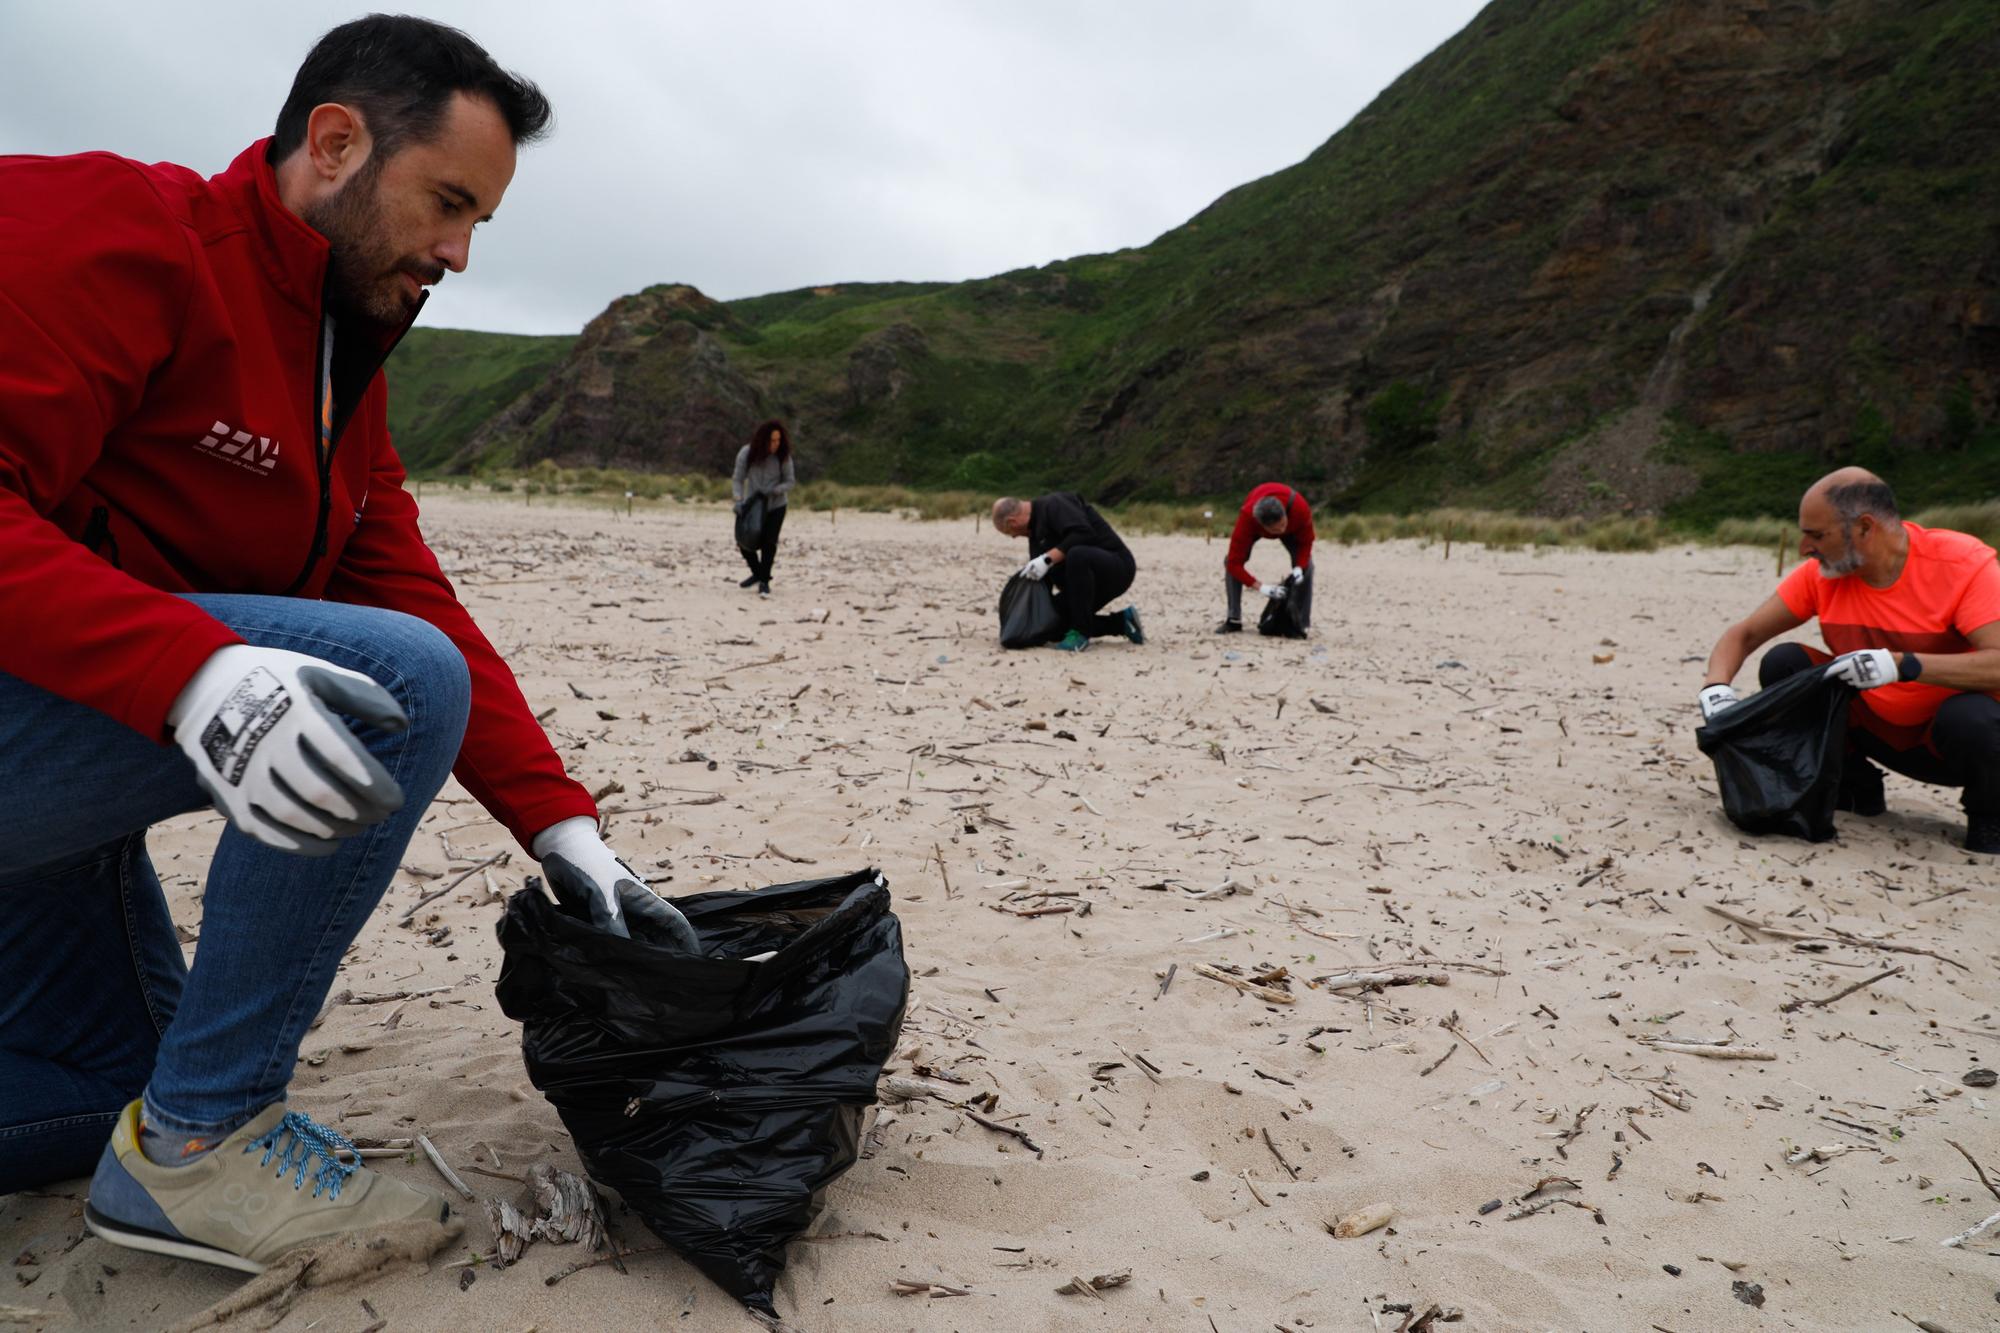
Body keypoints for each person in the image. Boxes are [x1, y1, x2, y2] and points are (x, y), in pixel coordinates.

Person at [0, 15, 695, 1271]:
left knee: (106, 1087)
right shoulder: (121, 233)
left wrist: (563, 828)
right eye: (447, 203)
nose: (460, 253)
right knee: (389, 681)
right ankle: (209, 1146)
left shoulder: (335, 359)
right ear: (334, 144)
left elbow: (403, 584)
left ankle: (170, 1122)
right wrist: (190, 671)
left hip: (44, 765)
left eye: (481, 221)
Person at [1699, 468, 2000, 854]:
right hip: (1875, 729)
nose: (1805, 548)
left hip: (1951, 744)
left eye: (1817, 535)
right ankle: (1856, 788)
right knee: (1786, 662)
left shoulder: (1963, 564)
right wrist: (1716, 688)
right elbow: (1745, 634)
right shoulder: (1822, 575)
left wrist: (1902, 664)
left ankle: (1990, 817)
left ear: (1864, 527)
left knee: (1971, 715)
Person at [991, 494, 1144, 653]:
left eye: (1010, 532)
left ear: (1012, 522)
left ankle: (1081, 633)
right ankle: (1121, 623)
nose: (1015, 537)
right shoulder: (1035, 539)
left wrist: (1048, 559)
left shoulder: (1054, 505)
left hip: (1116, 568)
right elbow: (1044, 585)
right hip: (1081, 587)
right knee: (1049, 626)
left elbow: (1085, 534)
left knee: (1078, 555)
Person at [1219, 483, 1315, 633]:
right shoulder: (1248, 518)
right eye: (1275, 530)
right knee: (1229, 561)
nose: (1280, 531)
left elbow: (1306, 542)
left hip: (1294, 528)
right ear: (1261, 525)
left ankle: (1301, 623)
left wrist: (1299, 567)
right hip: (1256, 524)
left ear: (1284, 514)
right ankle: (1234, 619)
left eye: (1282, 525)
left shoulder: (1299, 508)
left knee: (1308, 565)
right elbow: (1233, 563)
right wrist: (1261, 587)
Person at [731, 419, 796, 596]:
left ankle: (764, 582)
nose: (776, 444)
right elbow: (738, 479)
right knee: (744, 541)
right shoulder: (746, 453)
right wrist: (738, 500)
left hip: (776, 505)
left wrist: (775, 491)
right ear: (763, 439)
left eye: (778, 440)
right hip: (752, 505)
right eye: (772, 440)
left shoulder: (783, 456)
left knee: (769, 542)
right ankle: (758, 573)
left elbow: (790, 482)